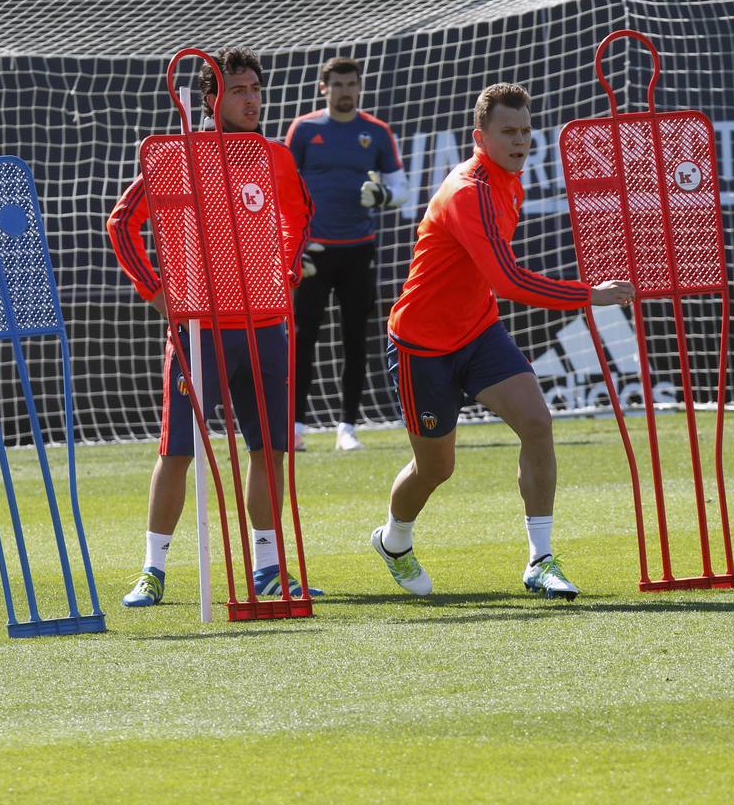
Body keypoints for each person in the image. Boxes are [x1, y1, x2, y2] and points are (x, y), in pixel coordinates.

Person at [370, 83, 635, 600]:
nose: (521, 141)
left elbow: (492, 285)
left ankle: (540, 560)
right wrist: (591, 295)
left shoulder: (510, 180)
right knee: (436, 468)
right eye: (508, 132)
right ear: (480, 137)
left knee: (537, 422)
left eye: (526, 131)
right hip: (420, 346)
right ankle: (394, 541)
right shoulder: (468, 190)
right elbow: (509, 280)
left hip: (479, 332)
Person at [108, 46, 321, 606]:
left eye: (256, 89)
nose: (251, 100)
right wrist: (158, 293)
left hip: (266, 325)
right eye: (239, 90)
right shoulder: (178, 156)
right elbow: (122, 225)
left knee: (270, 448)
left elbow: (300, 218)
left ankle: (269, 567)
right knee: (177, 450)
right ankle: (153, 570)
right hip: (200, 330)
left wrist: (288, 266)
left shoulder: (273, 156)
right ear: (210, 98)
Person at [285, 57, 407, 452]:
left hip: (359, 249)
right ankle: (296, 426)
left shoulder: (376, 132)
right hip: (313, 251)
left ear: (359, 87)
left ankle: (347, 428)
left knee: (355, 339)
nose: (345, 91)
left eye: (351, 84)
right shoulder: (303, 130)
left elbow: (401, 189)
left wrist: (383, 195)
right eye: (337, 84)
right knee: (303, 338)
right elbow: (285, 188)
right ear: (324, 88)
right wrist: (293, 243)